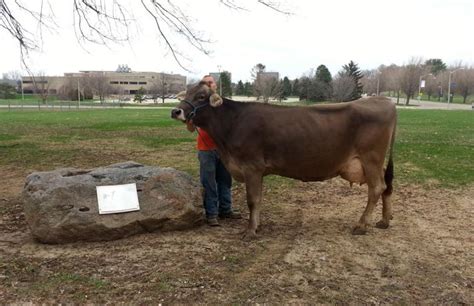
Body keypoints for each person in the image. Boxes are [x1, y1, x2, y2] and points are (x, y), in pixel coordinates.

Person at [186, 75, 241, 226]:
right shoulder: (199, 103)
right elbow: (191, 129)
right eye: (205, 83)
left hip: (223, 148)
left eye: (211, 82)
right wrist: (189, 122)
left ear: (215, 85)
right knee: (209, 182)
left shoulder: (223, 103)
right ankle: (211, 213)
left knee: (225, 180)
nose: (209, 85)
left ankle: (226, 209)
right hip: (206, 149)